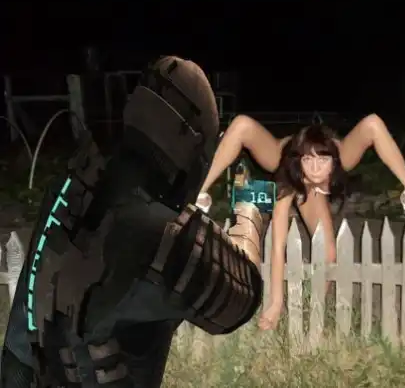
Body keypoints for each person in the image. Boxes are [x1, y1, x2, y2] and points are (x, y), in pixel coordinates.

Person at [0, 56, 265, 387]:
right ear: (190, 140)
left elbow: (20, 344)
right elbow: (242, 296)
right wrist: (250, 214)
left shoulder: (72, 189)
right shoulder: (160, 233)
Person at [194, 114, 405, 332]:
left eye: (323, 161)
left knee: (329, 253)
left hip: (317, 173)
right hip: (281, 156)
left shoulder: (342, 157)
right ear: (300, 161)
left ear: (333, 161)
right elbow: (278, 246)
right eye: (309, 160)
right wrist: (276, 303)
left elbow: (372, 126)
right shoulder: (289, 179)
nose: (316, 168)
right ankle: (199, 191)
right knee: (242, 125)